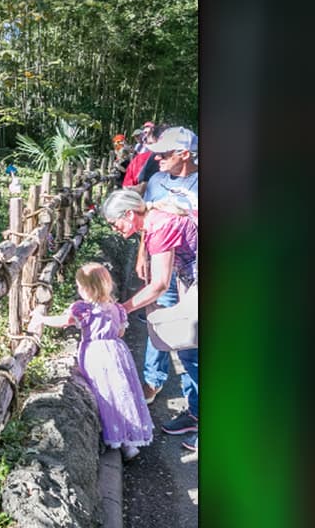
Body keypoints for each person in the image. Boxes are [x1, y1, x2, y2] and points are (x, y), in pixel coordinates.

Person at [102, 189, 199, 452]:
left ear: (130, 214)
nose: (115, 229)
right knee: (190, 353)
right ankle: (195, 415)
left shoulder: (160, 225)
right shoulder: (154, 220)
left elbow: (159, 284)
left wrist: (122, 308)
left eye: (115, 223)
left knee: (196, 355)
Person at [31, 263, 153, 460]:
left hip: (95, 354)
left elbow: (65, 321)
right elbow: (121, 331)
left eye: (80, 286)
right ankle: (130, 442)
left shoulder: (83, 309)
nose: (79, 290)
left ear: (88, 289)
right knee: (122, 393)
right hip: (117, 352)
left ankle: (115, 436)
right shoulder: (117, 309)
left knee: (105, 394)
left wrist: (41, 319)